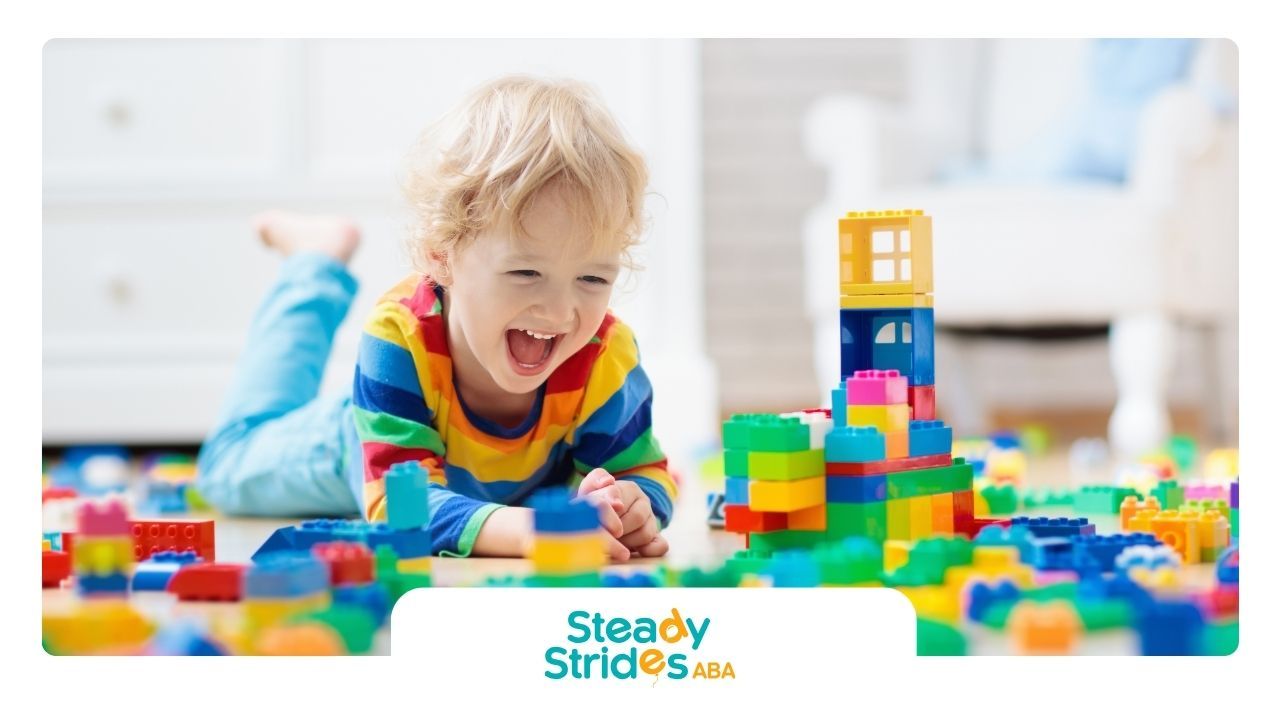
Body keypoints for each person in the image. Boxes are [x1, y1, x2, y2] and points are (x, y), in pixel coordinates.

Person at [197, 75, 676, 562]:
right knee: (227, 466)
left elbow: (645, 474)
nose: (559, 311)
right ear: (441, 256)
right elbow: (399, 505)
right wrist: (530, 531)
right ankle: (314, 266)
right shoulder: (398, 338)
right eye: (526, 271)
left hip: (465, 479)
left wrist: (634, 506)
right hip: (360, 438)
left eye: (593, 279)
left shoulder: (604, 356)